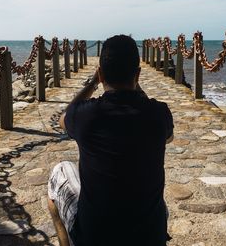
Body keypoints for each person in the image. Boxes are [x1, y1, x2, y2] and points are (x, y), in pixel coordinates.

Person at [47, 34, 174, 246]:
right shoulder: (159, 114)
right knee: (158, 203)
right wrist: (136, 87)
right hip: (149, 237)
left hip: (95, 237)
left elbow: (65, 117)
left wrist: (93, 83)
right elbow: (169, 137)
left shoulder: (85, 115)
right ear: (138, 74)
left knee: (59, 172)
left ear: (101, 74)